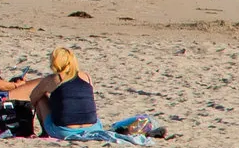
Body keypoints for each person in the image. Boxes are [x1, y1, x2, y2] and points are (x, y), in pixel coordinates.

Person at [35, 46, 164, 141]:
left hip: (64, 131)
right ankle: (131, 129)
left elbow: (33, 97)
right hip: (93, 127)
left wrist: (49, 99)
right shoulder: (86, 76)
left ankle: (44, 132)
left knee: (41, 99)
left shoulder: (53, 79)